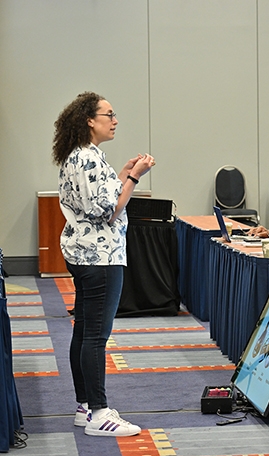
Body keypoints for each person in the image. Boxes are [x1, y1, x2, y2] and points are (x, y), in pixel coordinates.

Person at [52, 92, 154, 437]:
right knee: (96, 335)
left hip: (84, 254)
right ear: (88, 120)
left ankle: (85, 406)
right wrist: (136, 177)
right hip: (101, 257)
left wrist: (123, 172)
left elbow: (102, 196)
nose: (115, 120)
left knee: (84, 331)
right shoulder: (89, 158)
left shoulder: (81, 155)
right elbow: (108, 210)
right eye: (108, 114)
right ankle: (99, 412)